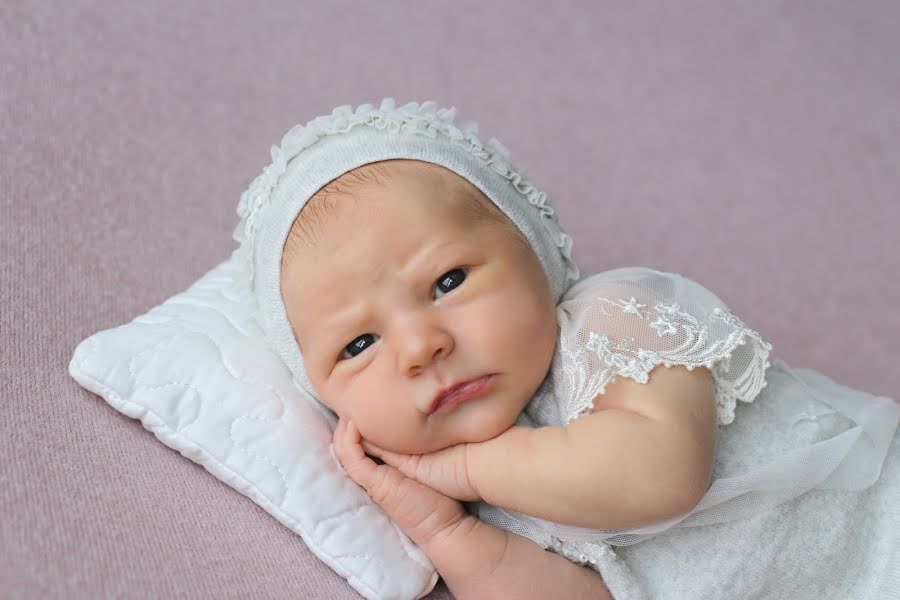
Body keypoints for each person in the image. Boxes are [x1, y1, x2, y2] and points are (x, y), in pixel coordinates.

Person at [238, 99, 899, 599]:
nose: (419, 345)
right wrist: (450, 534)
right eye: (359, 343)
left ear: (538, 252)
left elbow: (659, 474)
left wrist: (467, 470)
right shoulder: (485, 500)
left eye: (447, 281)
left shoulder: (614, 319)